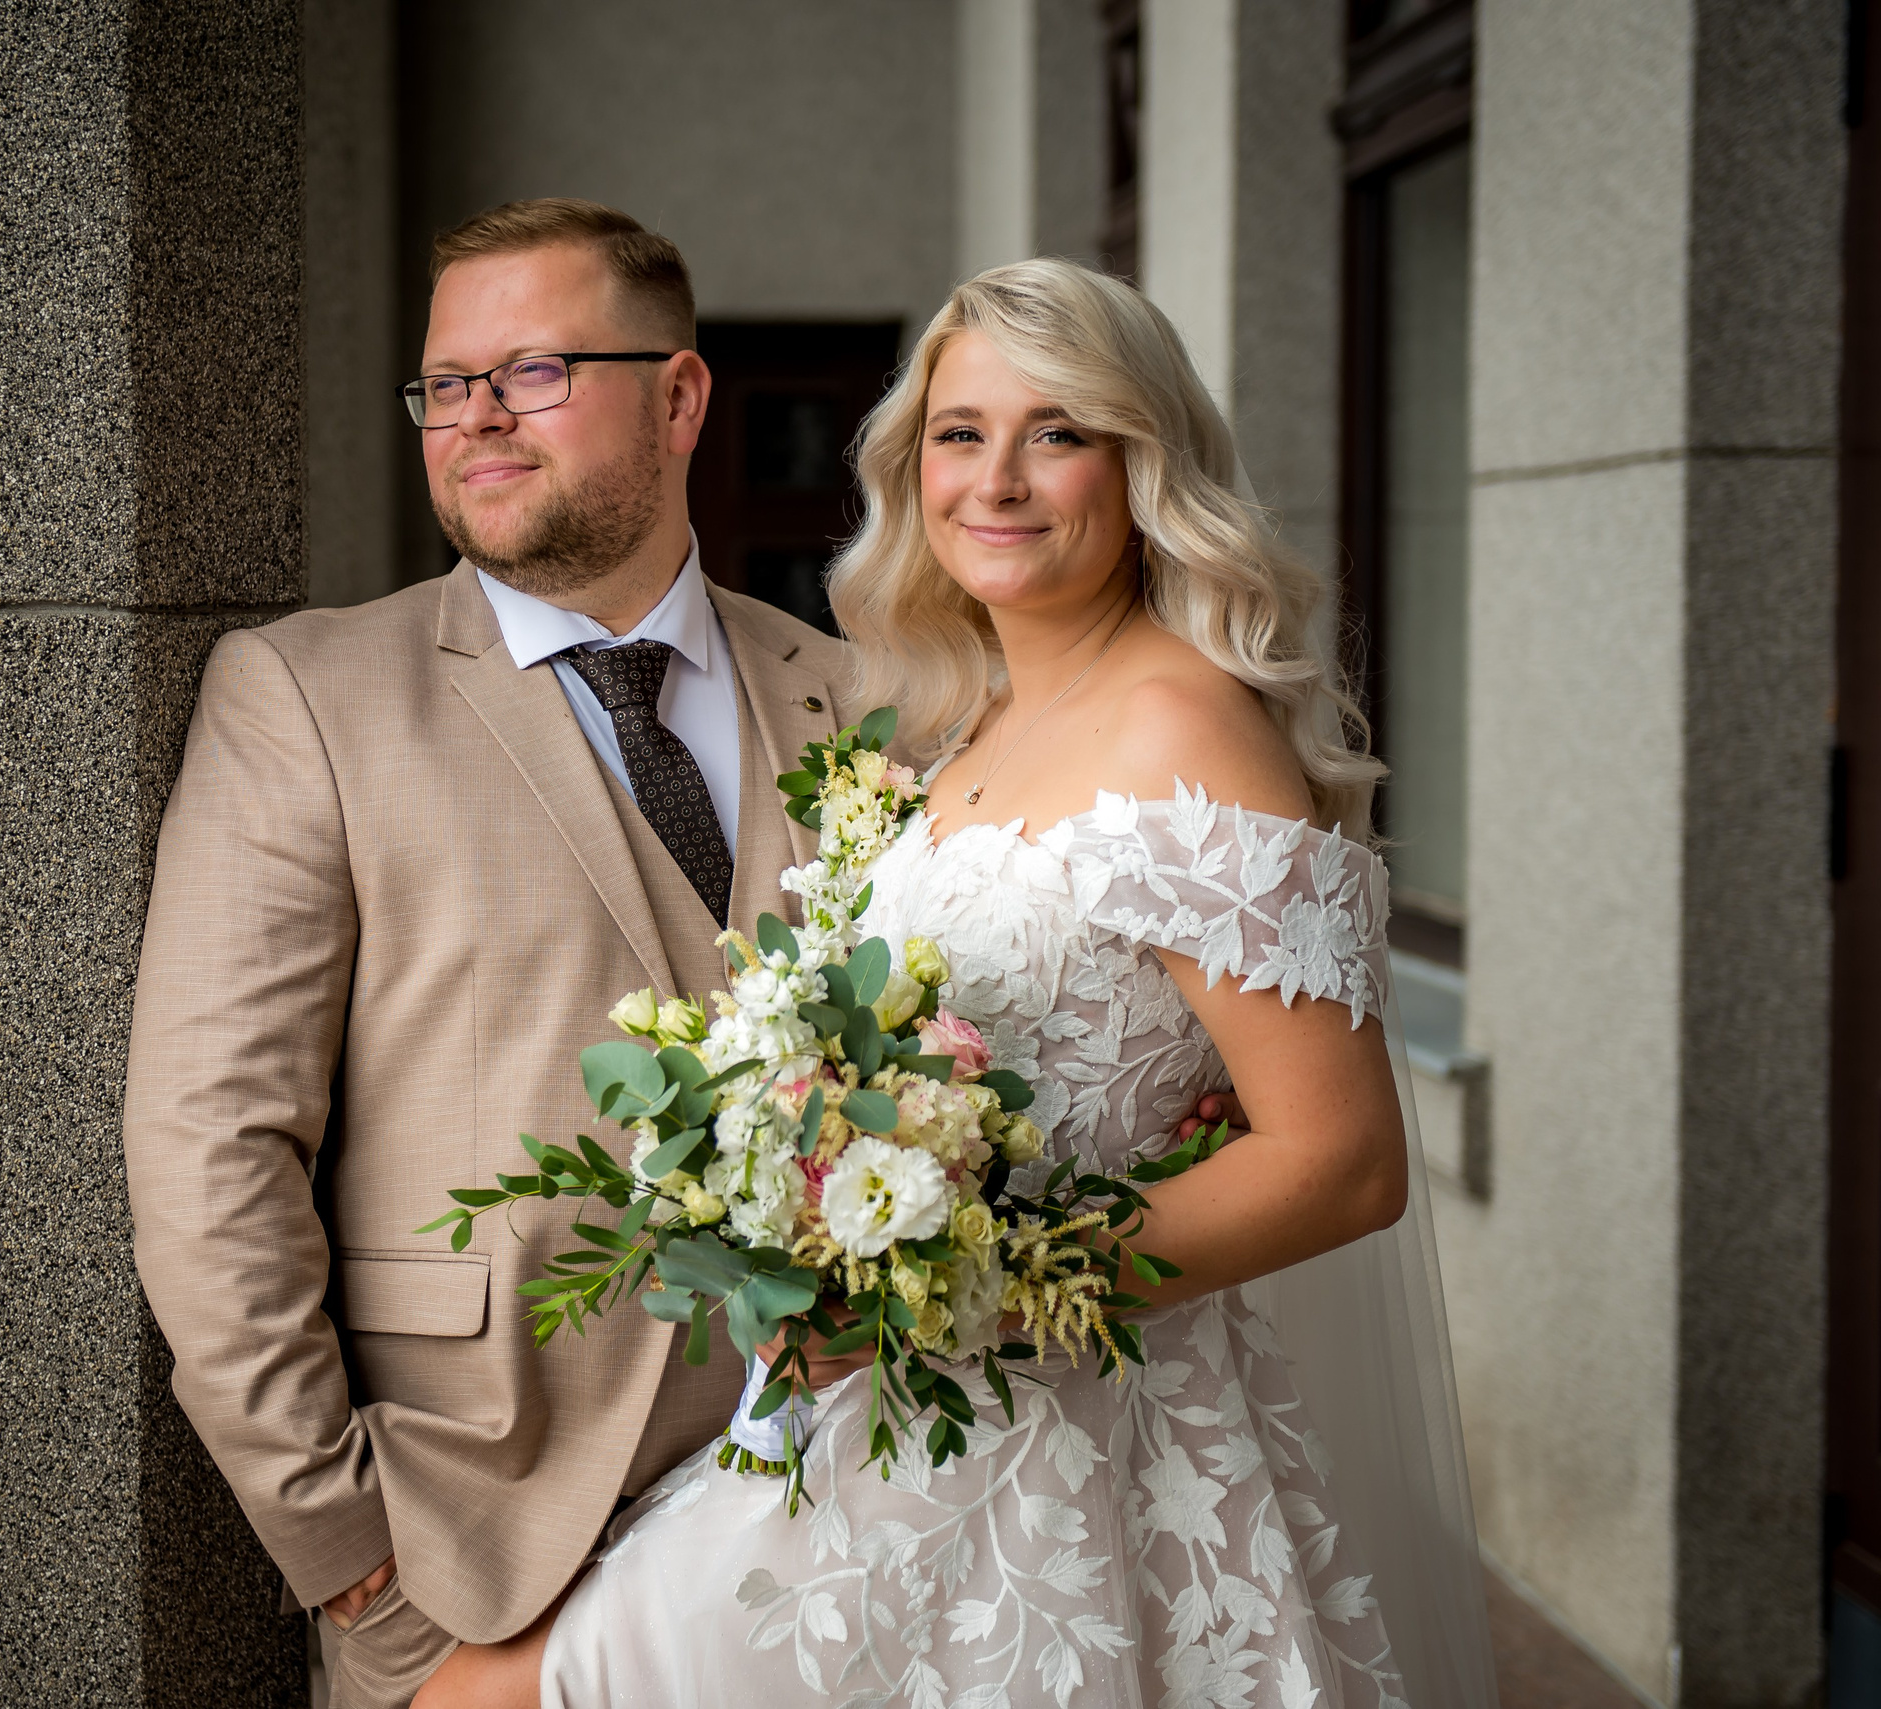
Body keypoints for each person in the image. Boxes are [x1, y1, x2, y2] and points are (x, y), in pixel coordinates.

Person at [122, 204, 1245, 1709]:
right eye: (445, 384)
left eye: (529, 371)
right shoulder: (308, 698)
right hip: (479, 1553)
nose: (475, 418)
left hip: (863, 1528)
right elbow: (210, 1154)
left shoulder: (873, 699)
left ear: (679, 399)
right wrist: (347, 1554)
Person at [536, 260, 1497, 1706]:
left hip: (1079, 1433)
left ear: (1144, 464)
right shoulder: (963, 727)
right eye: (959, 432)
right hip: (893, 1422)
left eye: (1058, 433)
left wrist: (963, 1298)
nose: (998, 478)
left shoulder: (1188, 721)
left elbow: (1345, 1159)